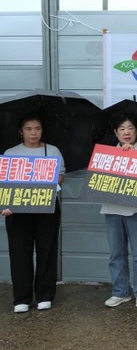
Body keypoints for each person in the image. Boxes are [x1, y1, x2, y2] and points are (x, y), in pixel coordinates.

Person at [1, 113, 65, 313]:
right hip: (18, 211)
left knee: (47, 251)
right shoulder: (10, 153)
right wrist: (5, 204)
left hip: (46, 207)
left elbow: (61, 175)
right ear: (21, 131)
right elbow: (4, 183)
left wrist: (51, 182)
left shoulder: (52, 150)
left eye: (37, 128)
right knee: (20, 253)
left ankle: (45, 295)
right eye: (28, 129)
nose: (33, 133)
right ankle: (22, 297)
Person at [101, 113, 137, 308]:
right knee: (116, 254)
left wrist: (134, 155)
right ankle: (120, 291)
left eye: (130, 128)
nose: (126, 132)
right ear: (116, 133)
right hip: (112, 208)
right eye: (122, 128)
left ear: (136, 131)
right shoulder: (108, 152)